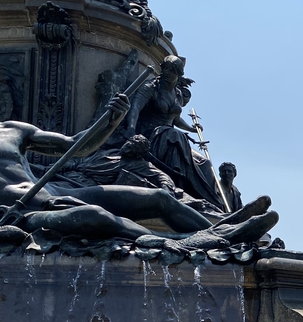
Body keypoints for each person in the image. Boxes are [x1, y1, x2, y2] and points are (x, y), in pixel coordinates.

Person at [0, 94, 274, 243]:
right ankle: (188, 241)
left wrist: (111, 120)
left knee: (159, 198)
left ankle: (224, 235)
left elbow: (76, 146)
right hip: (21, 213)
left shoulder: (13, 129)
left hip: (52, 190)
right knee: (95, 215)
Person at [124, 55, 223, 209]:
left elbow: (175, 119)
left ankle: (213, 205)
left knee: (204, 163)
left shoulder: (177, 93)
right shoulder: (151, 87)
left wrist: (191, 129)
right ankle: (175, 188)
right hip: (150, 131)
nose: (167, 73)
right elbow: (135, 107)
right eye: (166, 69)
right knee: (176, 136)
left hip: (168, 134)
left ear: (179, 73)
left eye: (172, 70)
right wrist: (131, 129)